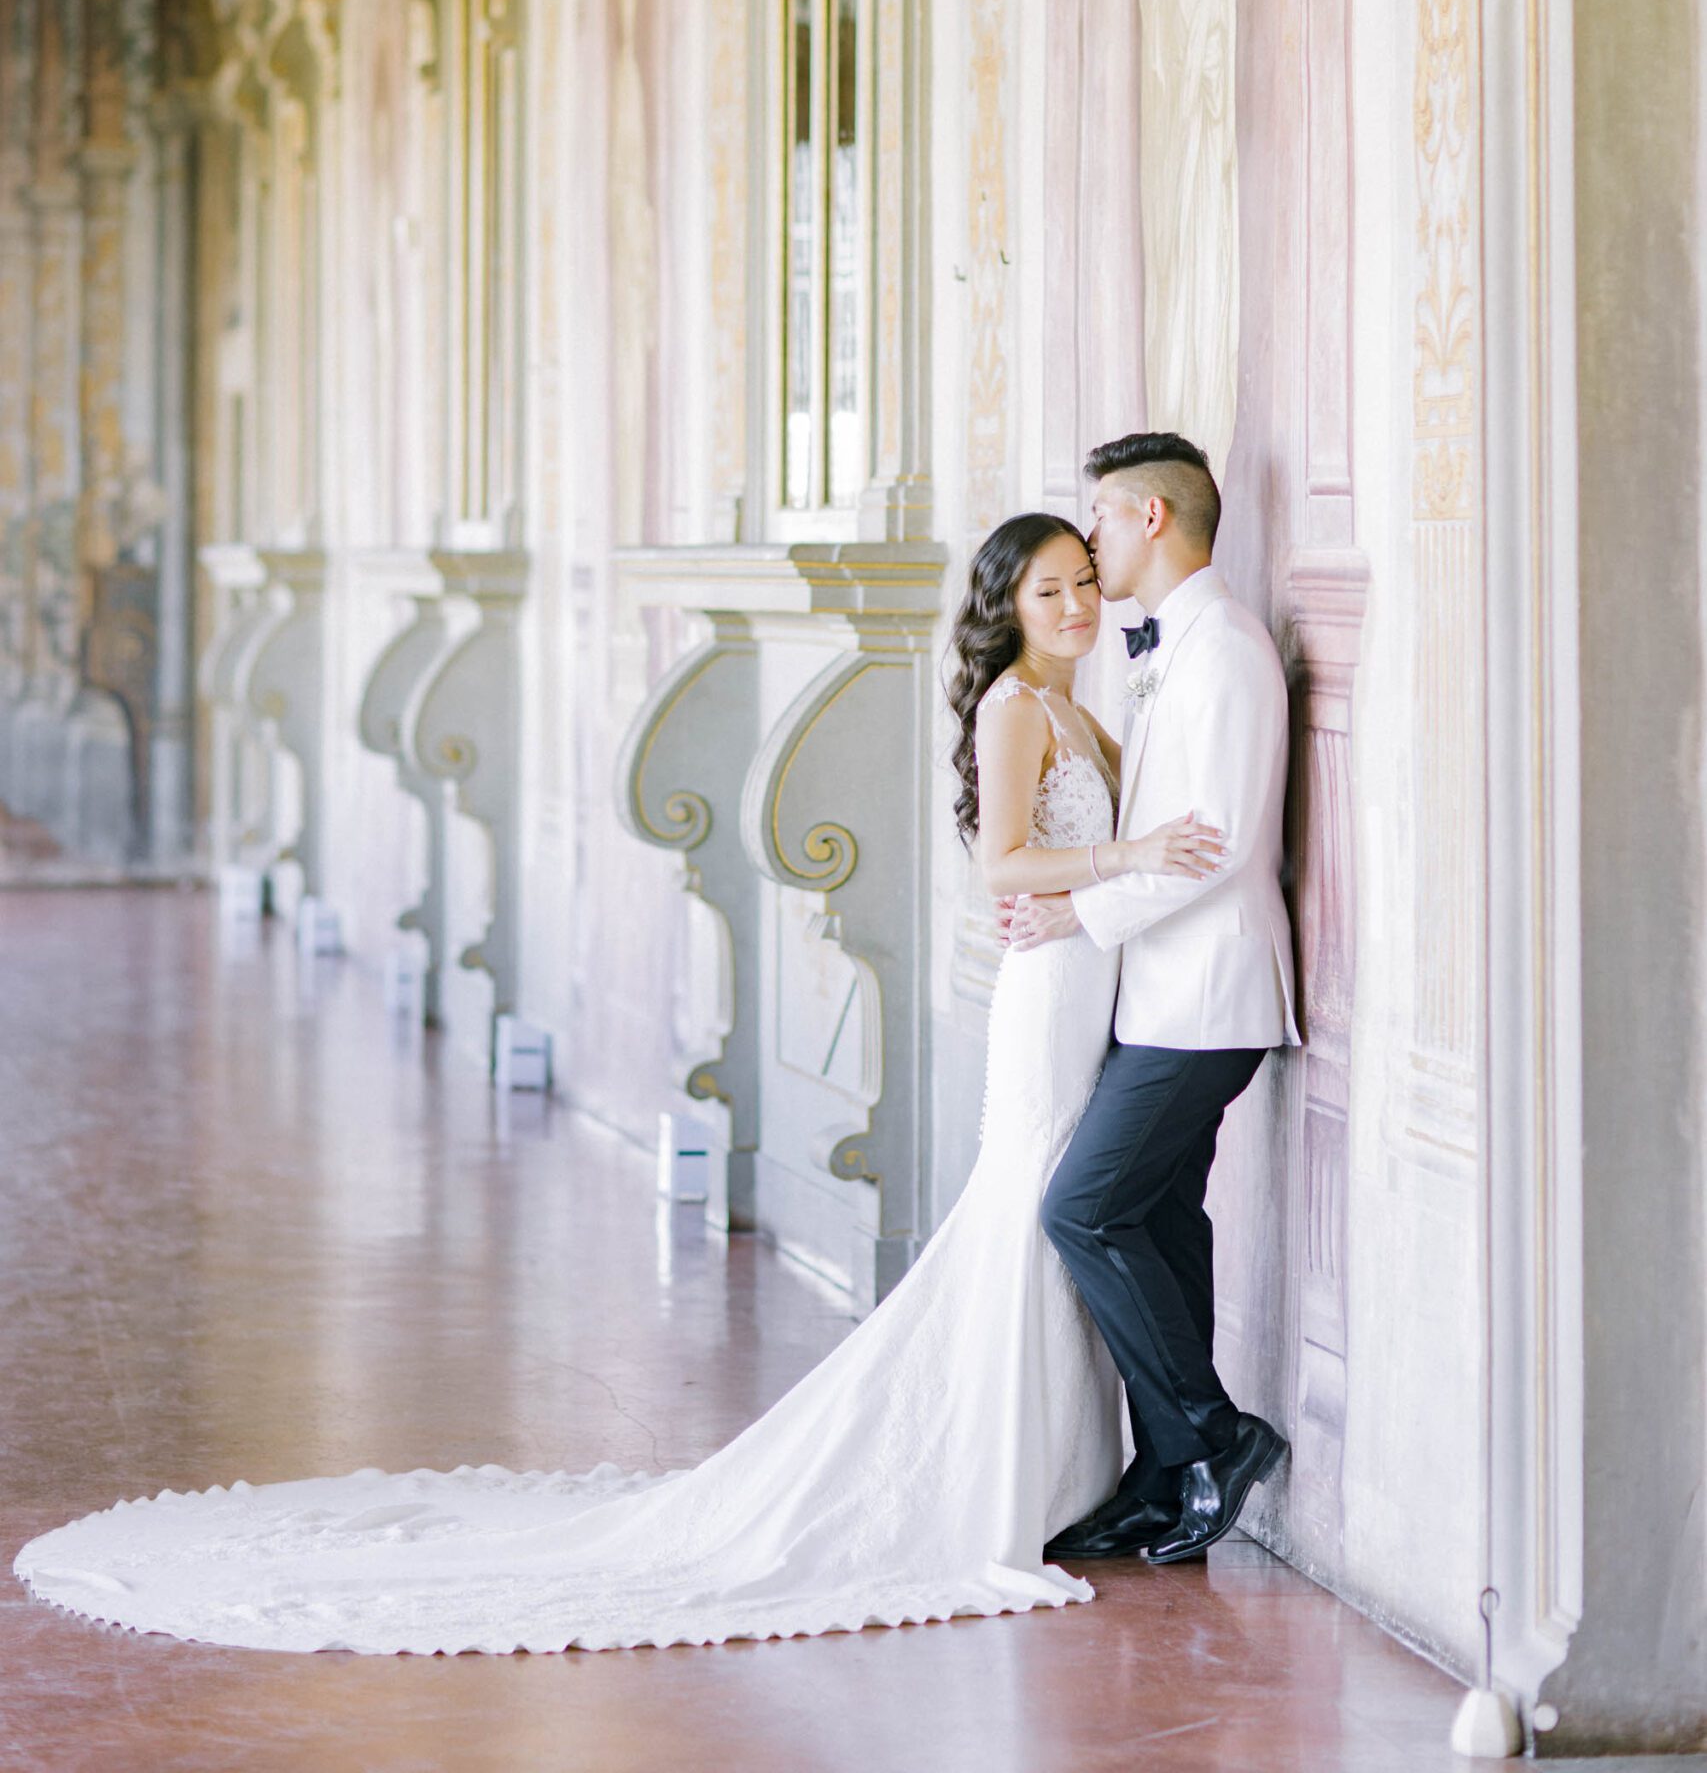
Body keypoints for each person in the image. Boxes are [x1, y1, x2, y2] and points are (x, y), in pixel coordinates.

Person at [14, 515, 1218, 1657]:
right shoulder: (1017, 708)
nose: (1071, 605)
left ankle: (1057, 1472)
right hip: (1051, 991)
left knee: (1049, 1218)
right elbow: (1004, 862)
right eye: (1045, 589)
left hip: (1084, 984)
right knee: (1026, 1213)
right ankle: (995, 1476)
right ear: (1004, 609)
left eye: (1079, 582)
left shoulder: (1070, 700)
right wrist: (1131, 855)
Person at [1006, 430, 1297, 1565]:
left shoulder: (1221, 646)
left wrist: (1079, 910)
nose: (1092, 542)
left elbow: (1215, 848)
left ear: (1151, 519)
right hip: (1164, 989)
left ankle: (1215, 1436)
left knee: (1083, 1206)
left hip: (1211, 989)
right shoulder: (1174, 644)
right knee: (1164, 1219)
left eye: (1102, 521)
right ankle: (1165, 1468)